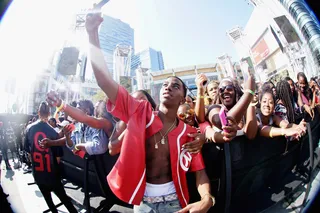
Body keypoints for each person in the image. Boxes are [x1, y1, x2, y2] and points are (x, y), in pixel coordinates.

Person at [82, 12, 214, 212]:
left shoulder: (188, 133)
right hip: (142, 203)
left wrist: (206, 198)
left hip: (176, 203)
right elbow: (104, 81)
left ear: (183, 98)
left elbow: (200, 171)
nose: (168, 87)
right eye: (165, 84)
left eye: (176, 86)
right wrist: (92, 34)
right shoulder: (139, 113)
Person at [24, 102, 77, 213]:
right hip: (52, 174)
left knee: (49, 201)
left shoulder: (29, 129)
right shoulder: (53, 132)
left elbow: (28, 153)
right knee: (65, 200)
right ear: (49, 113)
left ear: (38, 113)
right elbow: (58, 158)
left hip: (38, 173)